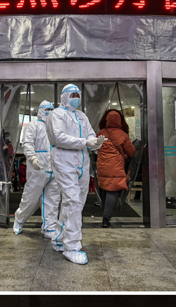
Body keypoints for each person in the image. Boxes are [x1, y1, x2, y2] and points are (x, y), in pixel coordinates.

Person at [46, 84, 105, 265]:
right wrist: (85, 142)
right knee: (72, 200)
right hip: (64, 160)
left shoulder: (81, 116)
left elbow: (90, 135)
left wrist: (96, 142)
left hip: (82, 162)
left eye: (78, 95)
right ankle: (72, 246)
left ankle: (59, 238)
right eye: (73, 94)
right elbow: (59, 138)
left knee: (76, 203)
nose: (76, 98)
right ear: (64, 96)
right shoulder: (56, 114)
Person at [13, 101, 60, 237]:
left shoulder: (56, 127)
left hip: (55, 167)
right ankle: (19, 219)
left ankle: (49, 227)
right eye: (46, 109)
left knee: (52, 199)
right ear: (39, 110)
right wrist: (32, 158)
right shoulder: (33, 125)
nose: (48, 111)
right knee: (31, 197)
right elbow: (27, 143)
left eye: (51, 109)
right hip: (38, 167)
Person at [95, 109, 136, 229]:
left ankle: (105, 213)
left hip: (102, 166)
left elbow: (95, 148)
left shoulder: (100, 133)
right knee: (111, 191)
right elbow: (132, 152)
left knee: (103, 188)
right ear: (119, 120)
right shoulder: (122, 134)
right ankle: (106, 218)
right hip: (116, 167)